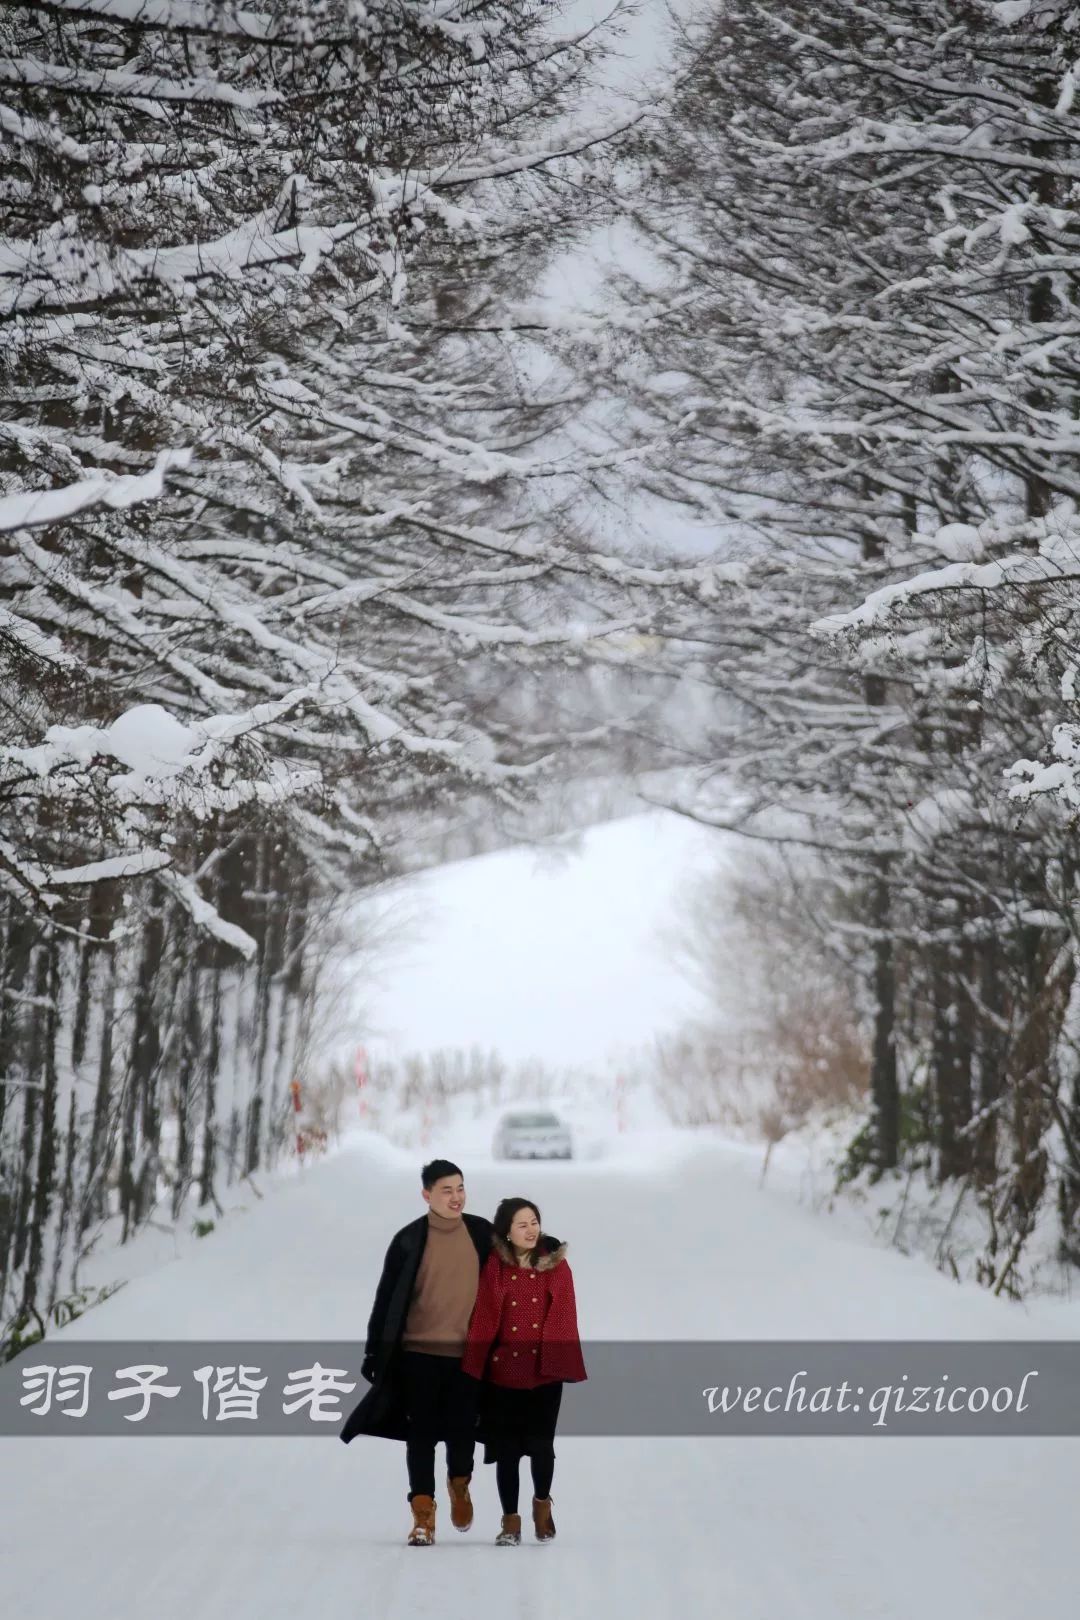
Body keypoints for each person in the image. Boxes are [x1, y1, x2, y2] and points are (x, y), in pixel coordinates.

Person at [339, 1159, 493, 1546]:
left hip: (467, 1354)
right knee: (419, 1433)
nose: (456, 1197)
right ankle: (423, 1513)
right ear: (427, 1195)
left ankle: (459, 1483)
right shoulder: (409, 1240)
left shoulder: (481, 1234)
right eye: (447, 1190)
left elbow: (514, 1269)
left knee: (462, 1429)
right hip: (418, 1352)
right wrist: (374, 1352)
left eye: (460, 1188)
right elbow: (386, 1299)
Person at [461, 1196, 586, 1546]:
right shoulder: (495, 1268)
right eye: (522, 1224)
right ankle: (510, 1522)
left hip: (544, 1371)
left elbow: (563, 1317)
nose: (531, 1230)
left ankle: (542, 1505)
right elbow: (485, 1317)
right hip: (503, 1372)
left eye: (534, 1222)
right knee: (507, 1450)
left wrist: (556, 1363)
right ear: (507, 1232)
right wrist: (473, 1366)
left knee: (542, 1446)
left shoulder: (555, 1266)